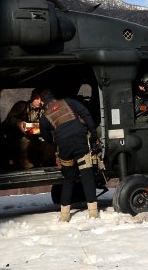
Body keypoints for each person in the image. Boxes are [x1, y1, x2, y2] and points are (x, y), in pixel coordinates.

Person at [38, 89, 101, 222]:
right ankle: (93, 213)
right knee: (87, 175)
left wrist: (55, 139)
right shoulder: (68, 102)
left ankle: (65, 215)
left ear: (43, 102)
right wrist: (93, 134)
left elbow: (46, 137)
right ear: (54, 97)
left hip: (64, 146)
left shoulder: (44, 117)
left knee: (68, 179)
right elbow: (86, 114)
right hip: (80, 139)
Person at [3, 89, 49, 169]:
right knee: (25, 139)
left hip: (37, 134)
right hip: (18, 136)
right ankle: (23, 160)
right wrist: (18, 123)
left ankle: (46, 161)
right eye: (37, 98)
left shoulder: (44, 109)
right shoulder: (22, 106)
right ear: (32, 97)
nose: (39, 101)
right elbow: (10, 119)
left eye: (41, 99)